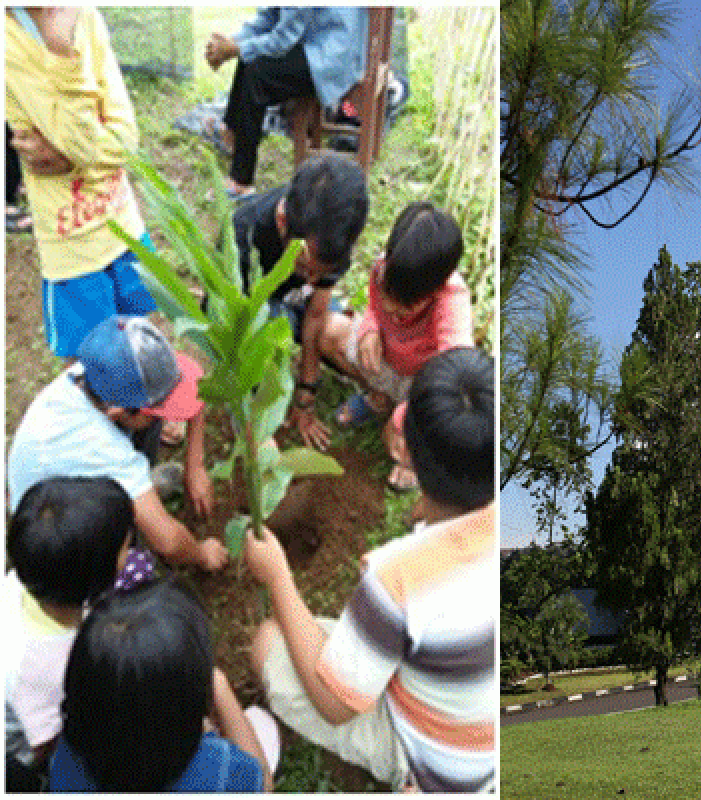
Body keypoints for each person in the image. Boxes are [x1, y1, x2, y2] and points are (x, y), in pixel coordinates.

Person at [244, 347, 496, 792]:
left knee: (268, 641)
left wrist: (279, 577)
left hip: (432, 768)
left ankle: (403, 774)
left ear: (409, 453)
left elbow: (335, 705)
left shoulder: (396, 576)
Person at [7, 315, 227, 572]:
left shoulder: (93, 375)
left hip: (62, 485)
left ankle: (139, 496)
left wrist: (195, 464)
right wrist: (202, 553)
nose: (169, 416)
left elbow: (192, 385)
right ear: (116, 412)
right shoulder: (103, 450)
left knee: (149, 419)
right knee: (140, 570)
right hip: (54, 541)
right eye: (158, 407)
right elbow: (169, 543)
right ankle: (135, 507)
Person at [5, 7, 159, 359]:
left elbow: (127, 138)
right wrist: (62, 53)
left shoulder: (85, 15)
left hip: (124, 226)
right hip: (74, 249)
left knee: (139, 347)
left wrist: (70, 157)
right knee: (92, 368)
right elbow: (85, 145)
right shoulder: (8, 42)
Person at [45, 579, 274, 792]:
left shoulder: (66, 758)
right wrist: (220, 688)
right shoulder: (222, 769)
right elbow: (263, 785)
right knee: (263, 728)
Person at [318, 202, 474, 491]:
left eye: (404, 305)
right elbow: (375, 308)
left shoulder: (452, 305)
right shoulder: (386, 267)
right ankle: (378, 397)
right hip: (386, 362)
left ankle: (412, 457)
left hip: (422, 384)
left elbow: (454, 383)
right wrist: (370, 327)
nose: (390, 306)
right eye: (389, 294)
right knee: (328, 331)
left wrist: (404, 416)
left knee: (437, 421)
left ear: (436, 288)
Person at [231, 152, 369, 450]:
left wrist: (305, 395)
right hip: (249, 312)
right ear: (283, 222)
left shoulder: (335, 239)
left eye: (321, 273)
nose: (312, 277)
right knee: (267, 321)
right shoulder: (243, 235)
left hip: (293, 305)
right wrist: (259, 417)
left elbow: (317, 314)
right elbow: (233, 327)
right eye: (305, 268)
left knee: (343, 338)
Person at [4, 477, 137, 779]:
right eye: (125, 547)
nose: (128, 552)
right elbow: (46, 743)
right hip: (23, 744)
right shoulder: (43, 671)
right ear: (97, 579)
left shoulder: (31, 573)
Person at [205, 7, 368, 197]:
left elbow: (283, 38)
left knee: (256, 74)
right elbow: (271, 16)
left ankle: (241, 182)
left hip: (332, 55)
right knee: (250, 57)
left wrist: (237, 49)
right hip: (318, 41)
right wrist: (232, 42)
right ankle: (233, 135)